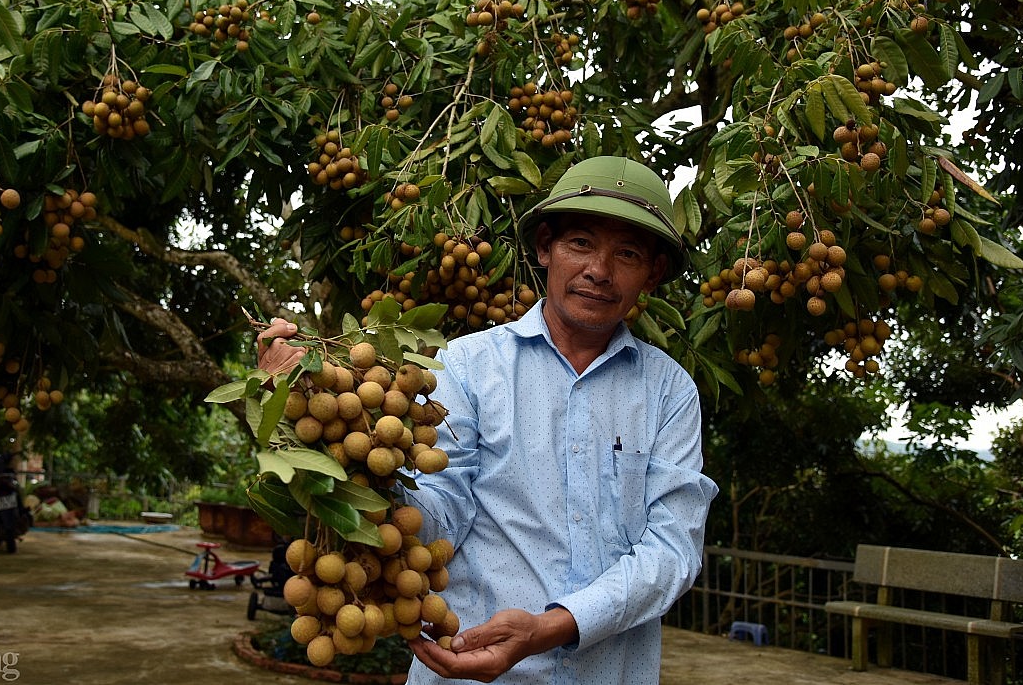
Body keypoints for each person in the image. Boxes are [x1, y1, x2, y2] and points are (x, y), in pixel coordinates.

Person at [258, 156, 718, 685]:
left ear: (653, 272)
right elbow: (436, 513)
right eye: (581, 244)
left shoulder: (669, 391)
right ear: (545, 247)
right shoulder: (466, 365)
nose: (599, 270)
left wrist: (552, 626)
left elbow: (672, 552)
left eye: (628, 254)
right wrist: (319, 427)